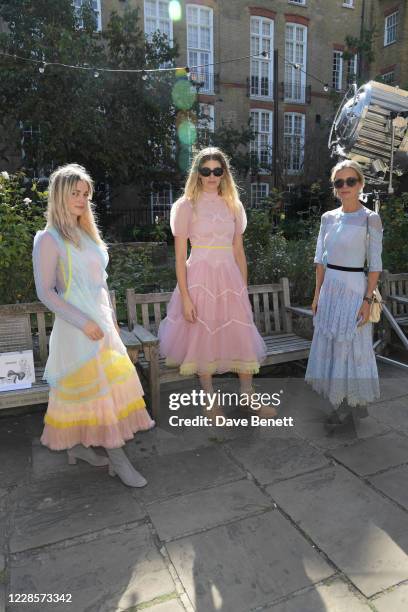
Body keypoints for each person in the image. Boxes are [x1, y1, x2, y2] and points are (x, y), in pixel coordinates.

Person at [32, 163, 155, 486]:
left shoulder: (87, 234)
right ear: (59, 195)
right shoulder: (48, 239)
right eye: (75, 193)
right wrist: (83, 322)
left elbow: (101, 285)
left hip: (101, 326)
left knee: (104, 393)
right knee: (97, 394)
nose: (82, 199)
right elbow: (45, 291)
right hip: (76, 329)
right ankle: (119, 460)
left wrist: (111, 320)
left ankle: (78, 447)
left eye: (86, 194)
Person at [158, 147, 276, 416]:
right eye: (206, 170)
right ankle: (210, 400)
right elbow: (179, 258)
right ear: (197, 173)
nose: (211, 176)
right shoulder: (185, 206)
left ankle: (248, 396)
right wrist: (186, 297)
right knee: (203, 336)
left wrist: (242, 289)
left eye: (217, 171)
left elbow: (239, 251)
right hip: (199, 277)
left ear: (224, 173)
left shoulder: (233, 204)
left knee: (240, 334)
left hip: (229, 278)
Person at [305, 159, 383, 432]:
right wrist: (316, 295)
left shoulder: (370, 218)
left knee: (351, 349)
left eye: (351, 181)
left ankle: (347, 411)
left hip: (353, 289)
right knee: (332, 347)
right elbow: (320, 261)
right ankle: (342, 405)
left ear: (360, 184)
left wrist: (367, 299)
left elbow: (375, 265)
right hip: (330, 290)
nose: (345, 186)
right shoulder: (328, 218)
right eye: (340, 182)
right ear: (335, 187)